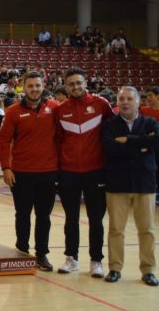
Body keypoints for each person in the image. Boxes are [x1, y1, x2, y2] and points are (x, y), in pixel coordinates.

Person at [54, 68, 114, 277]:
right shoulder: (60, 109)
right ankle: (71, 258)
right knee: (71, 218)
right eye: (71, 84)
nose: (75, 87)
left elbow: (112, 131)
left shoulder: (101, 105)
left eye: (79, 83)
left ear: (85, 82)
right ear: (66, 86)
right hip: (69, 172)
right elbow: (59, 140)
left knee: (95, 219)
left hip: (96, 171)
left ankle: (96, 260)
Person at [0, 71, 59, 271]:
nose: (34, 89)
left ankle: (42, 254)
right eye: (30, 86)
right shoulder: (13, 111)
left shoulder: (54, 108)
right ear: (23, 88)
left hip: (48, 172)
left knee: (44, 216)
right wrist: (6, 167)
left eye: (37, 85)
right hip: (21, 172)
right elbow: (4, 141)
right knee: (22, 215)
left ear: (43, 86)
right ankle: (21, 253)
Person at [101, 86, 158, 286]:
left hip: (145, 182)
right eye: (121, 99)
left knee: (148, 230)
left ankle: (149, 270)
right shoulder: (109, 125)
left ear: (137, 102)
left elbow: (156, 142)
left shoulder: (150, 122)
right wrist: (142, 145)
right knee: (116, 229)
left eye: (129, 99)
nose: (125, 102)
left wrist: (128, 141)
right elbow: (110, 148)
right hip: (118, 183)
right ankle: (115, 268)